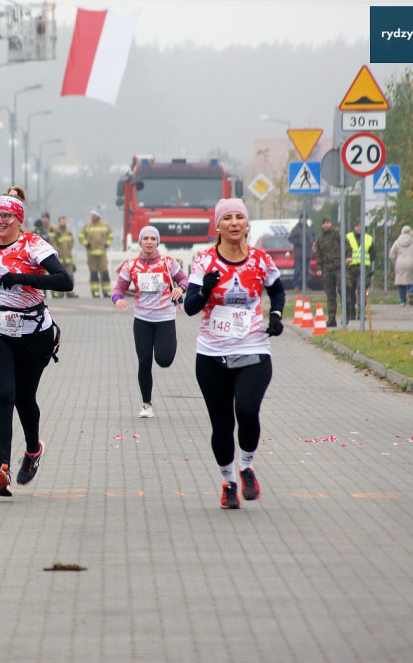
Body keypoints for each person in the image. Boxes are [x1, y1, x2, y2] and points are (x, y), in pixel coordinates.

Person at [0, 194, 74, 496]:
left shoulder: (34, 245)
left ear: (19, 220)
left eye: (6, 216)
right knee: (4, 394)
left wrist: (20, 278)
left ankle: (33, 449)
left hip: (34, 334)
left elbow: (64, 281)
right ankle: (2, 469)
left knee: (24, 398)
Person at [184, 197, 284, 510]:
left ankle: (247, 467)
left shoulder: (260, 259)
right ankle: (228, 482)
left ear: (246, 223)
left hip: (253, 349)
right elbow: (189, 307)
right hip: (212, 354)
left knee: (247, 410)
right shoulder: (204, 261)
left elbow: (277, 289)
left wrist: (277, 316)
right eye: (227, 218)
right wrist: (203, 291)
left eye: (239, 217)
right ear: (218, 225)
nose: (234, 223)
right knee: (222, 424)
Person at [112, 225, 188, 418]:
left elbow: (184, 279)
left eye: (152, 239)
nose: (149, 242)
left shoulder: (168, 262)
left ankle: (166, 350)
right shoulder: (131, 266)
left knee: (163, 360)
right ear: (139, 242)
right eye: (145, 238)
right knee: (144, 361)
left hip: (165, 319)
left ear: (158, 242)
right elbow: (118, 290)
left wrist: (181, 289)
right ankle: (147, 404)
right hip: (142, 320)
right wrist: (118, 300)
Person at [344, 219, 376, 321]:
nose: (359, 228)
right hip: (350, 267)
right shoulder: (348, 237)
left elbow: (373, 253)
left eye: (361, 226)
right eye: (357, 226)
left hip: (363, 268)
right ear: (354, 227)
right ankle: (351, 312)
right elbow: (343, 250)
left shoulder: (368, 238)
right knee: (350, 290)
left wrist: (367, 262)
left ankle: (361, 313)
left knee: (361, 289)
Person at [313, 217, 341, 327]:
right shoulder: (320, 239)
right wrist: (319, 268)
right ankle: (331, 318)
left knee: (343, 289)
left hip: (338, 267)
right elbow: (318, 255)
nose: (326, 225)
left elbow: (346, 246)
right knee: (330, 294)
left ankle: (346, 314)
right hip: (327, 269)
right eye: (324, 223)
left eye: (328, 223)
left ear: (331, 223)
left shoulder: (337, 234)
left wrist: (347, 259)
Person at [80, 208, 114, 298]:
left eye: (94, 214)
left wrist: (107, 244)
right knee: (94, 274)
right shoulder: (87, 225)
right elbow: (81, 236)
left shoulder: (105, 225)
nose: (92, 216)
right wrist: (86, 244)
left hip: (102, 253)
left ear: (98, 215)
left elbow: (110, 236)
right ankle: (95, 292)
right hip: (91, 254)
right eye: (92, 214)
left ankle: (106, 292)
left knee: (105, 273)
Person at [388, 225, 413, 306]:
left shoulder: (397, 242)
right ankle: (411, 292)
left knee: (401, 282)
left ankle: (403, 301)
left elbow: (391, 255)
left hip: (400, 263)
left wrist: (395, 262)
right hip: (412, 263)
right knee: (412, 281)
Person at [51, 216, 78, 299]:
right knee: (59, 276)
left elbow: (72, 244)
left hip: (68, 259)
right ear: (59, 222)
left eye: (64, 221)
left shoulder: (69, 233)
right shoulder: (56, 233)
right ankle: (59, 293)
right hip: (59, 259)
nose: (63, 223)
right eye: (62, 221)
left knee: (70, 276)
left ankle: (71, 293)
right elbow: (53, 243)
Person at [287, 214, 314, 289]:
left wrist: (311, 241)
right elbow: (290, 238)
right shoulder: (296, 229)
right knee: (298, 270)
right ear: (300, 219)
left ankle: (304, 285)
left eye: (305, 219)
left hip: (308, 253)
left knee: (306, 271)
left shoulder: (309, 229)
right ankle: (296, 285)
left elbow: (313, 237)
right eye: (303, 218)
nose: (304, 220)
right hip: (299, 253)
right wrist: (299, 241)